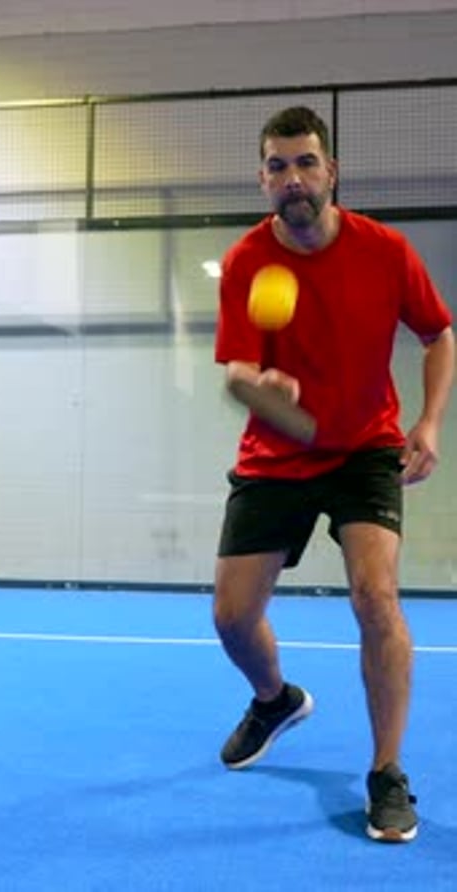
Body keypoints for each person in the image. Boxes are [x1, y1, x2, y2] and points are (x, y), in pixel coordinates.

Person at [213, 105, 455, 843]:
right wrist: (263, 392)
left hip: (364, 449)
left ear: (332, 171)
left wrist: (428, 422)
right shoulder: (249, 260)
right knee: (231, 619)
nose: (294, 178)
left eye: (306, 162)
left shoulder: (385, 251)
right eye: (278, 166)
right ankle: (275, 699)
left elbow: (438, 333)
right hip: (276, 455)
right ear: (263, 180)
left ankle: (385, 773)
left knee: (375, 596)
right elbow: (237, 371)